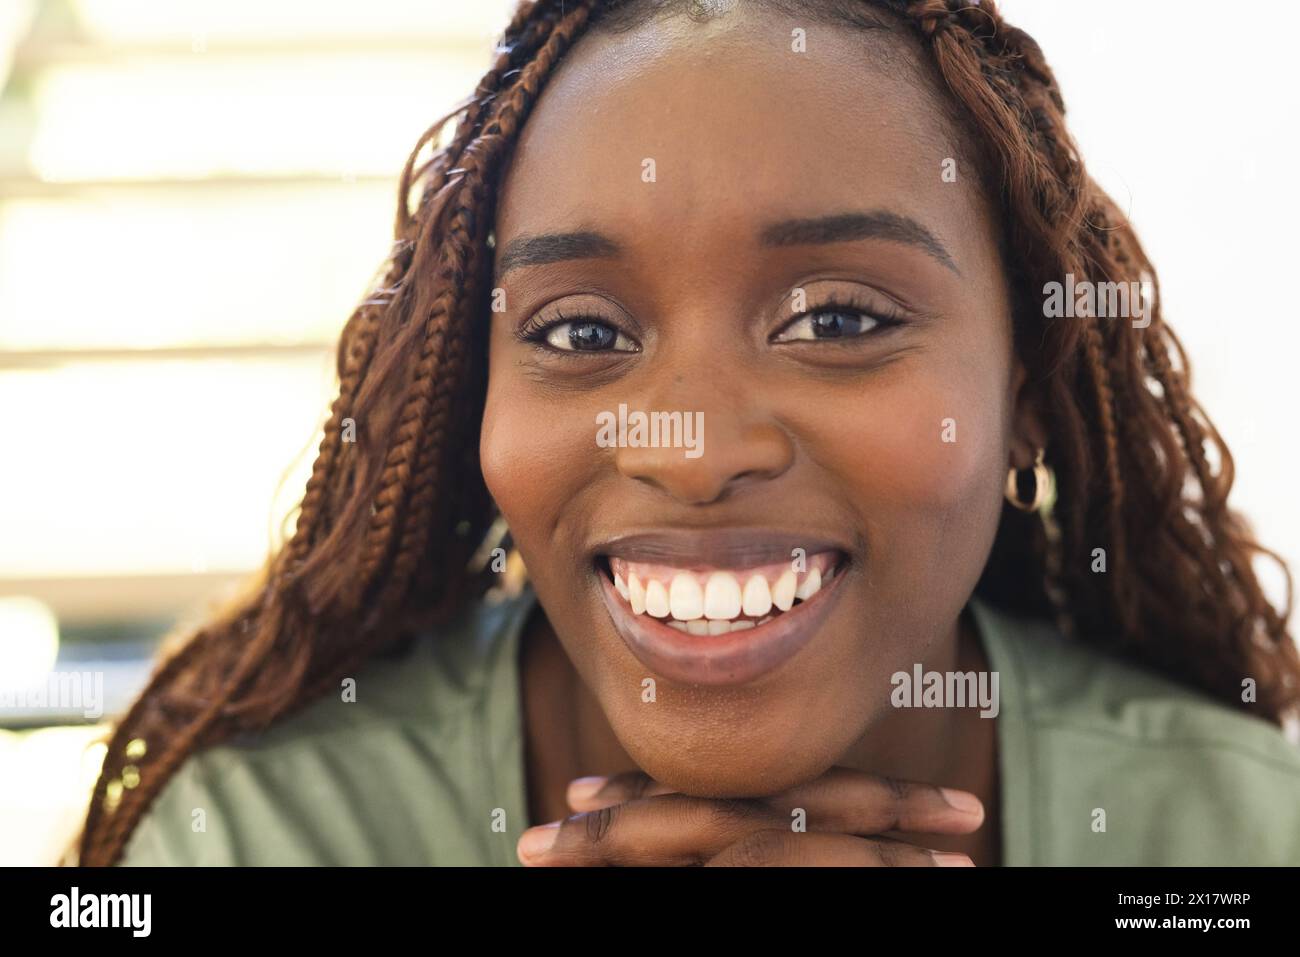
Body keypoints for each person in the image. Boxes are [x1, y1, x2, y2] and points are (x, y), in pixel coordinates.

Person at [77, 0, 1300, 867]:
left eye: (836, 316)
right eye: (578, 333)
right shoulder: (257, 838)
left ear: (1026, 386)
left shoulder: (1242, 837)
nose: (695, 447)